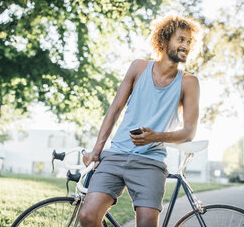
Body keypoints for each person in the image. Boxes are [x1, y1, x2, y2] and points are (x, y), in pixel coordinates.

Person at [80, 15, 202, 227]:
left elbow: (189, 131)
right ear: (164, 40)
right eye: (181, 39)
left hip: (151, 163)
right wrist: (96, 151)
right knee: (87, 216)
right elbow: (114, 110)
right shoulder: (138, 68)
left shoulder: (189, 82)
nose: (186, 46)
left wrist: (156, 136)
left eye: (189, 42)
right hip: (116, 155)